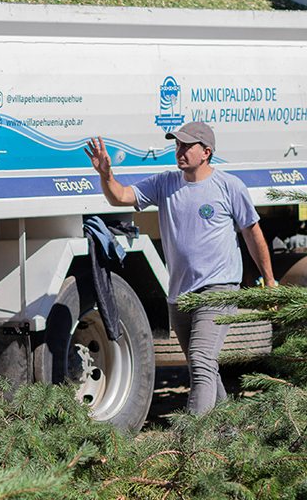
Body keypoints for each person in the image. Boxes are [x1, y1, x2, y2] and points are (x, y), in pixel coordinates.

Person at [84, 120, 277, 416]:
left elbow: (253, 234)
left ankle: (191, 442)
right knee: (205, 368)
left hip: (219, 289)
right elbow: (119, 196)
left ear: (206, 152)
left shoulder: (229, 186)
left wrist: (270, 281)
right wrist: (106, 174)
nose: (180, 151)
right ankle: (228, 435)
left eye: (187, 146)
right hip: (180, 294)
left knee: (201, 361)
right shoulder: (164, 183)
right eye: (177, 145)